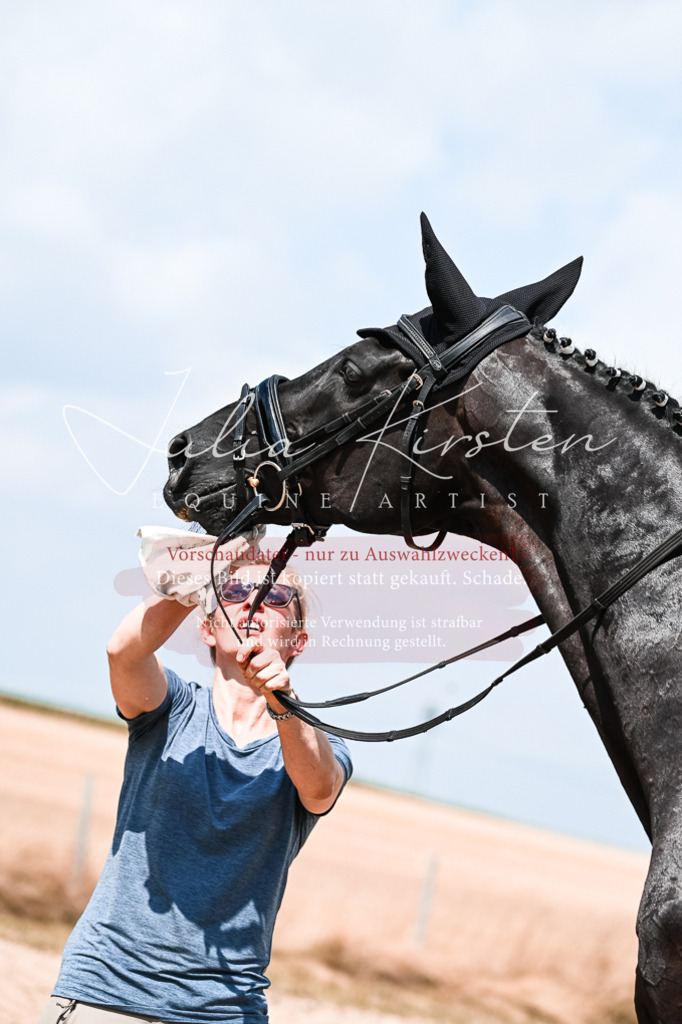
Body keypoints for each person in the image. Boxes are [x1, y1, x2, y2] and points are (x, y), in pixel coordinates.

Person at [39, 559, 352, 1024]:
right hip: (106, 990)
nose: (253, 602)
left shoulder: (317, 744)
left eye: (276, 597)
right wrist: (202, 568)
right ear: (207, 628)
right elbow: (123, 652)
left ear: (298, 642)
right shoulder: (171, 709)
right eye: (233, 594)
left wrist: (282, 703)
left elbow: (319, 788)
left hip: (223, 1009)